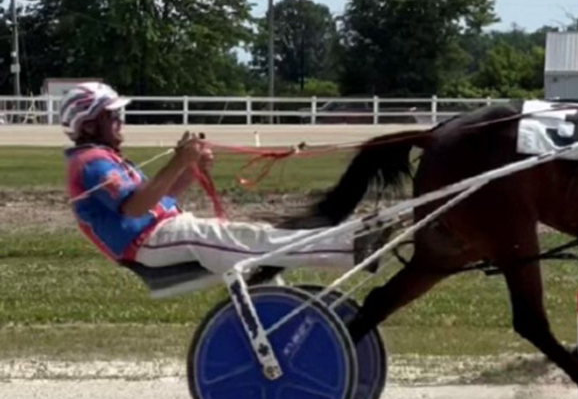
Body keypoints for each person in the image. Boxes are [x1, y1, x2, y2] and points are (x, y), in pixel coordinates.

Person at [63, 82, 360, 276]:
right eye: (111, 116)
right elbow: (135, 209)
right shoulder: (90, 163)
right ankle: (350, 245)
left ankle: (346, 241)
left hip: (161, 233)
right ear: (88, 125)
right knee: (252, 240)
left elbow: (159, 201)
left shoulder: (104, 157)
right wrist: (179, 161)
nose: (120, 121)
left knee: (254, 236)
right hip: (147, 243)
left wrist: (190, 169)